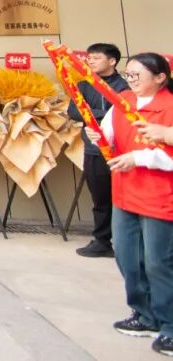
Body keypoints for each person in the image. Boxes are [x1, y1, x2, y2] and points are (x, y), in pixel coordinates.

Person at [86, 53, 173, 356]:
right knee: (127, 257)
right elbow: (110, 137)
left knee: (159, 262)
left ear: (160, 77)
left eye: (137, 74)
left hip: (160, 197)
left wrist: (139, 157)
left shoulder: (170, 107)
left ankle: (170, 324)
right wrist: (98, 137)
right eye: (129, 74)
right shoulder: (123, 102)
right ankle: (145, 314)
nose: (131, 80)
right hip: (125, 193)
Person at [68, 42, 130, 258]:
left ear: (112, 61)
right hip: (94, 149)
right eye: (89, 58)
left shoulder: (125, 86)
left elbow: (126, 112)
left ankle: (128, 242)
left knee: (125, 197)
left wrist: (91, 114)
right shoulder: (84, 85)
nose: (90, 61)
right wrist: (105, 114)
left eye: (96, 58)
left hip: (122, 150)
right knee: (100, 197)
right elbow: (74, 112)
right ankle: (102, 241)